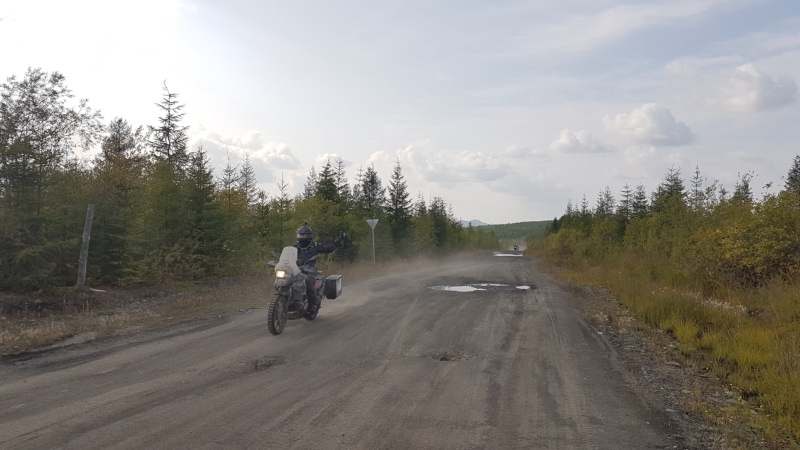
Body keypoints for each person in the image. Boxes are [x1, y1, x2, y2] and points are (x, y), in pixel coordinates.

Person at [293, 222, 338, 312]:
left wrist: (336, 243)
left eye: (304, 235)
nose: (301, 237)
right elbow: (287, 256)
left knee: (308, 281)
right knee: (286, 279)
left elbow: (327, 249)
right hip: (296, 270)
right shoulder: (294, 247)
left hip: (310, 270)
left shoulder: (315, 246)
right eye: (300, 235)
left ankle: (312, 304)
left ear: (309, 236)